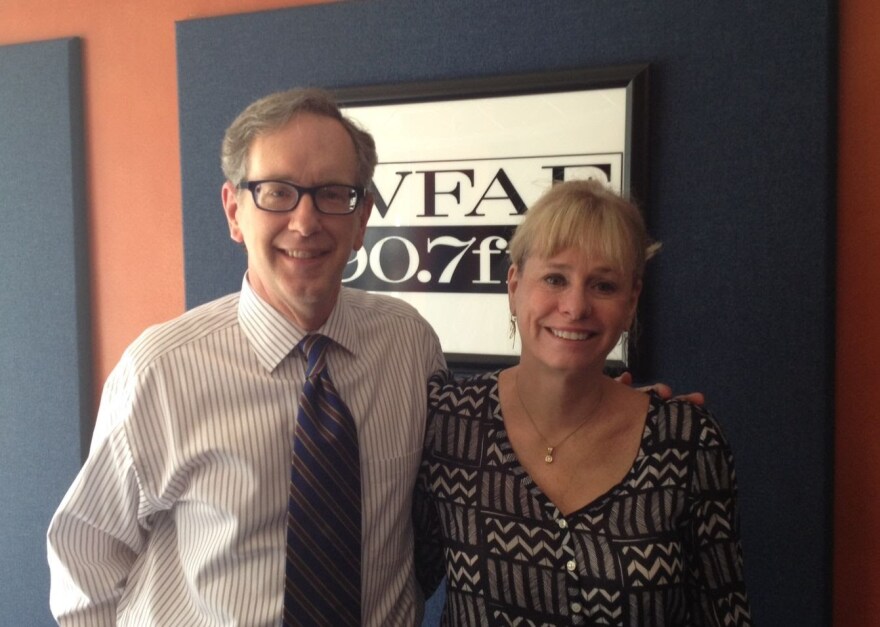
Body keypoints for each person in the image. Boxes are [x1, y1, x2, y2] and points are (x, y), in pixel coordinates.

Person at [47, 88, 445, 625]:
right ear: (235, 211)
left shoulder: (409, 347)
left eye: (331, 193)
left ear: (361, 219)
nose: (305, 222)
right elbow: (84, 566)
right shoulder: (160, 371)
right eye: (277, 192)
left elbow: (422, 532)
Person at [413, 179, 752, 625]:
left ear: (631, 301)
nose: (575, 307)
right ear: (514, 285)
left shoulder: (687, 442)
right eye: (555, 278)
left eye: (603, 286)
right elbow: (401, 581)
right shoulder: (449, 421)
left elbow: (724, 613)